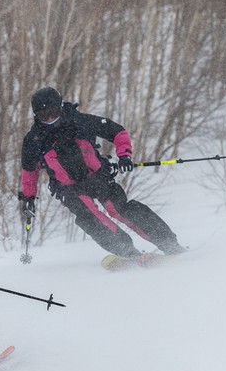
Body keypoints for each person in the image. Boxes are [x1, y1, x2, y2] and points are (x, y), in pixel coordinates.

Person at [20, 87, 186, 259]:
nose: (50, 119)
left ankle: (169, 244)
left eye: (53, 112)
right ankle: (127, 252)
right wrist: (29, 198)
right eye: (43, 116)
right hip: (69, 188)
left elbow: (118, 132)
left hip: (97, 175)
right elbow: (29, 173)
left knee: (119, 208)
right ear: (36, 116)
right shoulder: (34, 140)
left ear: (61, 107)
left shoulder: (80, 121)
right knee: (89, 217)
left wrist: (125, 156)